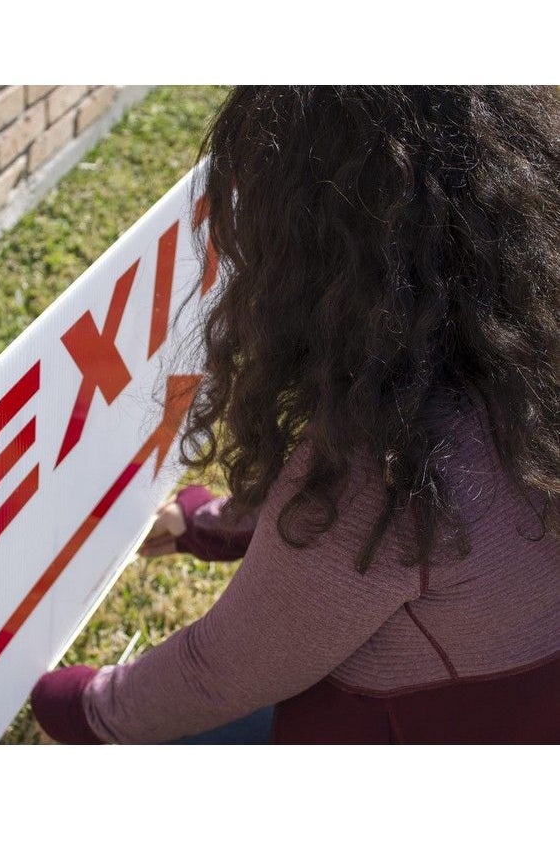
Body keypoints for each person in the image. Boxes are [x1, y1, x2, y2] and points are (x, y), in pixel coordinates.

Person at [31, 86, 560, 744]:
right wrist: (209, 523)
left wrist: (70, 704)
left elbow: (219, 670)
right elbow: (345, 556)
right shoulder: (524, 364)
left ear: (316, 253)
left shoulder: (394, 463)